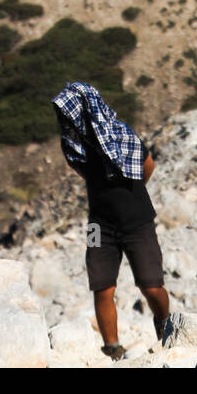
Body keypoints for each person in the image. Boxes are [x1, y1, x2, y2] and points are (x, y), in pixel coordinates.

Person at [52, 81, 170, 361]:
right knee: (102, 286)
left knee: (151, 285)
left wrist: (130, 195)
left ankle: (165, 322)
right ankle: (112, 349)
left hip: (138, 221)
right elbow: (85, 174)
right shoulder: (73, 145)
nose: (66, 120)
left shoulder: (121, 134)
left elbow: (147, 166)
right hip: (99, 226)